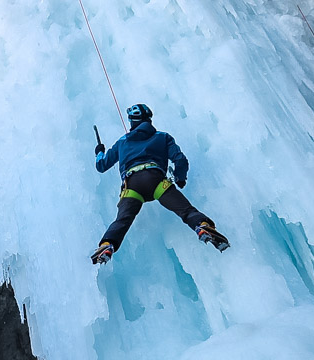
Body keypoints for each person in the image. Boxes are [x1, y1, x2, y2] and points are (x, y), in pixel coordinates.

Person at [91, 103, 228, 264]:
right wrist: (180, 178)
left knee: (122, 220)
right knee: (186, 211)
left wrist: (99, 151)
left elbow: (101, 165)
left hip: (132, 185)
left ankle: (107, 244)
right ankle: (202, 225)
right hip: (156, 181)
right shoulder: (163, 137)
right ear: (148, 119)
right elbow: (180, 159)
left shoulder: (122, 141)